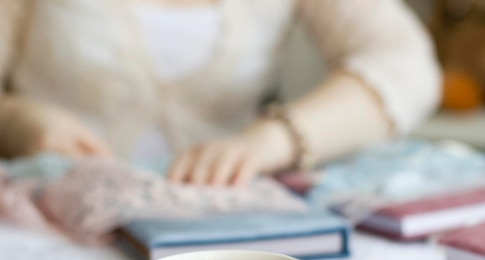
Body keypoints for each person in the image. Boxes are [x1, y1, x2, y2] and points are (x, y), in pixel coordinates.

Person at [0, 0, 441, 186]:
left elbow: (405, 64)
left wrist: (275, 137)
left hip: (215, 228)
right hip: (44, 217)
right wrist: (15, 119)